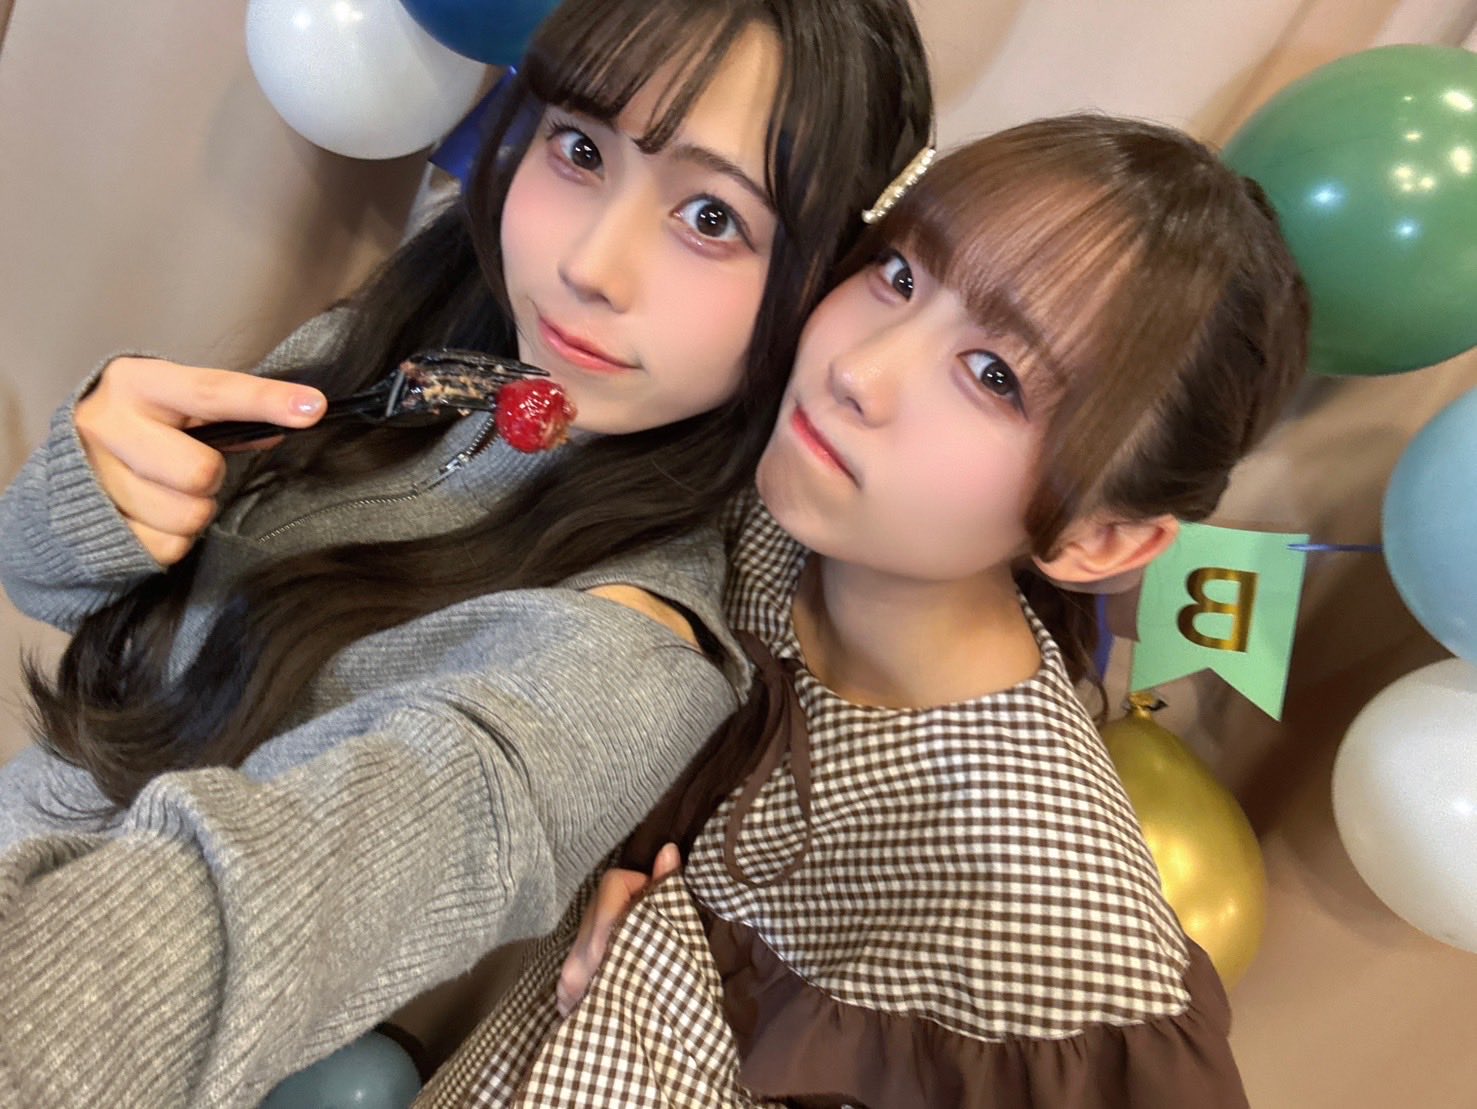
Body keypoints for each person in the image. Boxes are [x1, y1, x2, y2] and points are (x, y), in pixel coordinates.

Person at [0, 1, 933, 1104]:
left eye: (711, 217)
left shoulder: (621, 663)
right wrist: (99, 479)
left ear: (817, 284)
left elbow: (230, 924)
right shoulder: (428, 349)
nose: (590, 264)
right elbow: (47, 586)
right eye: (580, 148)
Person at [415, 114, 1309, 1108]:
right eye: (898, 274)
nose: (859, 369)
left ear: (1100, 540)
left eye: (995, 377)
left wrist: (666, 1058)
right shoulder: (757, 498)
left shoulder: (1049, 941)